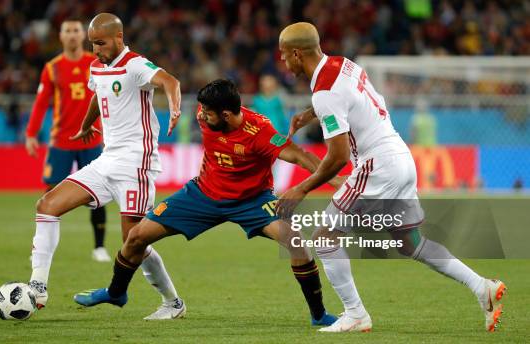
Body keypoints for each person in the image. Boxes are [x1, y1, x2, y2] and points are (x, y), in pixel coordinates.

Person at [276, 22, 506, 333]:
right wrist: (308, 114)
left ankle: (355, 314)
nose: (282, 61)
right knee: (411, 244)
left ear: (296, 53)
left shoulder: (324, 93)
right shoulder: (343, 64)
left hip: (376, 166)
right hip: (400, 157)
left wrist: (300, 189)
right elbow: (348, 98)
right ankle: (482, 287)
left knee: (324, 238)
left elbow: (338, 157)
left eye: (283, 55)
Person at [74, 79, 345, 326]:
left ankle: (318, 314)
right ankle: (116, 292)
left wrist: (337, 182)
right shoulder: (207, 118)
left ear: (226, 115)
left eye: (207, 112)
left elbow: (299, 156)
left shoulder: (259, 131)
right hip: (202, 194)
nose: (201, 115)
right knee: (136, 237)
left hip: (252, 201)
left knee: (295, 241)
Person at [28, 13, 185, 320]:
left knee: (134, 242)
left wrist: (175, 106)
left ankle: (172, 302)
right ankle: (38, 284)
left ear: (118, 38)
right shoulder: (96, 66)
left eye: (100, 43)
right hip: (107, 161)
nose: (96, 49)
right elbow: (97, 96)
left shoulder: (135, 64)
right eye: (93, 44)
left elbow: (170, 81)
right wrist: (87, 124)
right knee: (47, 205)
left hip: (136, 166)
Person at [25, 19, 111, 263]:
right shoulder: (52, 68)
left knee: (98, 194)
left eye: (76, 31)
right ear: (61, 37)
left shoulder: (95, 64)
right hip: (61, 141)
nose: (72, 35)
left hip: (91, 140)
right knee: (51, 194)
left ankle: (99, 247)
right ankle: (40, 247)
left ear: (83, 35)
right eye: (67, 31)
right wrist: (31, 134)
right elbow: (41, 103)